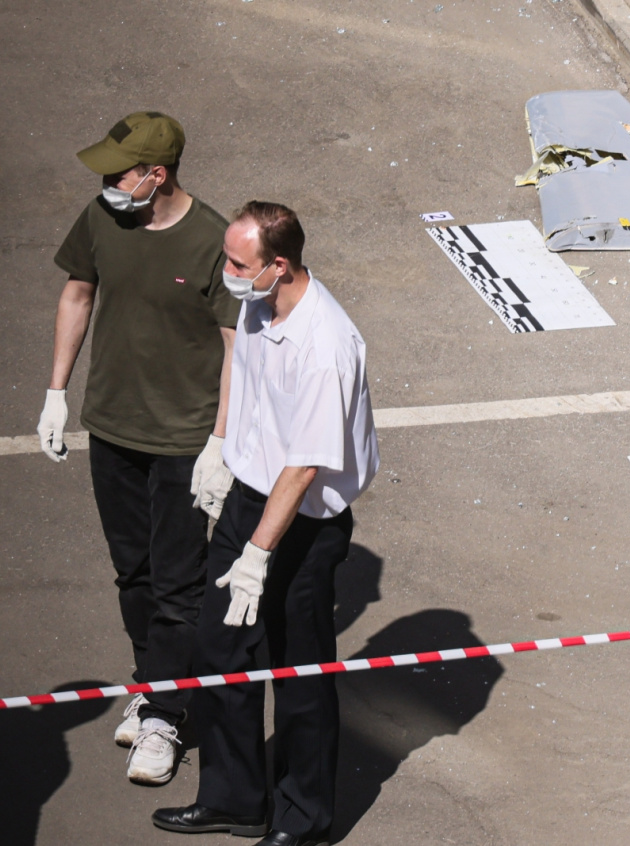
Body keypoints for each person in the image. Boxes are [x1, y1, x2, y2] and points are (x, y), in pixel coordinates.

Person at [153, 202, 379, 846]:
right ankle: (234, 798)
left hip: (302, 523)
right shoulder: (258, 303)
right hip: (250, 498)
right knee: (219, 651)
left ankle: (304, 820)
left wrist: (257, 555)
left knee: (297, 672)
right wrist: (219, 443)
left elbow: (304, 467)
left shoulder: (326, 346)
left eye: (236, 262)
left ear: (279, 265)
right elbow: (240, 368)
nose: (225, 271)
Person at [38, 111, 240, 785]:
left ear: (158, 175)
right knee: (133, 573)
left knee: (179, 584)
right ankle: (154, 682)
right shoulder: (103, 219)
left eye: (118, 174)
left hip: (183, 441)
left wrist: (220, 441)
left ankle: (166, 716)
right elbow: (77, 294)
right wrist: (56, 392)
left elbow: (236, 348)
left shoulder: (212, 241)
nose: (106, 184)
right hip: (112, 428)